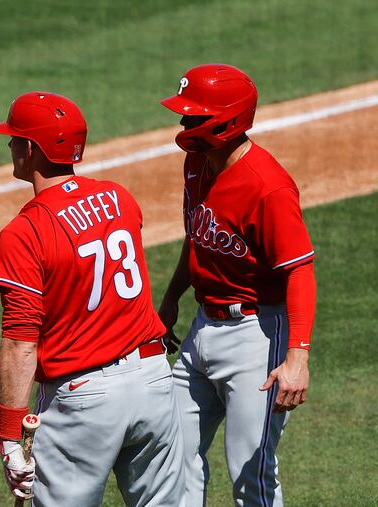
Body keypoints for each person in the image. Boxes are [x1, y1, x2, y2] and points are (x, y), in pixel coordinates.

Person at [0, 92, 184, 506]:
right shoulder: (120, 199)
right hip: (153, 381)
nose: (9, 145)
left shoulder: (25, 230)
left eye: (13, 138)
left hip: (85, 401)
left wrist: (9, 437)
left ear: (30, 149)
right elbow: (70, 262)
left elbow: (19, 345)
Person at [157, 64, 316, 506]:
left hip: (257, 338)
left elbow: (299, 270)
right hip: (201, 328)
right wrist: (171, 299)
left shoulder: (268, 188)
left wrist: (297, 357)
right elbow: (199, 241)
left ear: (226, 120)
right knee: (174, 457)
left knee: (250, 472)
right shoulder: (196, 163)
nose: (183, 124)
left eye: (193, 117)